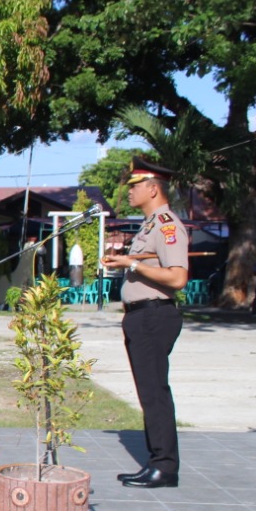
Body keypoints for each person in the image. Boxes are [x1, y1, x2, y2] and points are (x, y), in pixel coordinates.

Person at [101, 156, 189, 489]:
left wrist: (133, 266)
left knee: (154, 394)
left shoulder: (167, 225)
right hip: (141, 316)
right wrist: (128, 260)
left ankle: (164, 467)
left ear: (153, 188)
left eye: (135, 186)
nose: (130, 192)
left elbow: (178, 277)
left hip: (154, 314)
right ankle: (157, 461)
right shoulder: (149, 224)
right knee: (148, 392)